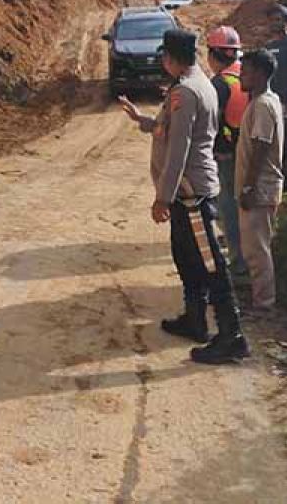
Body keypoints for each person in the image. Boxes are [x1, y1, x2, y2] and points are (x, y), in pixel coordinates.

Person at [119, 28, 249, 364]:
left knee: (210, 263)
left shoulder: (187, 92)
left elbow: (179, 148)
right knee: (186, 256)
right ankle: (194, 319)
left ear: (172, 58)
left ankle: (231, 334)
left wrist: (162, 196)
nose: (161, 61)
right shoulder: (190, 84)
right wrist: (142, 120)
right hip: (185, 192)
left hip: (190, 193)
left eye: (163, 56)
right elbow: (169, 128)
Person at [235, 50, 285, 313]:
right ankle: (260, 298)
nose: (241, 75)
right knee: (255, 247)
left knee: (258, 250)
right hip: (261, 187)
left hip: (260, 189)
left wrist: (248, 186)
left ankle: (264, 304)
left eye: (246, 71)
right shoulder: (263, 101)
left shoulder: (264, 105)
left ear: (261, 74)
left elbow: (261, 146)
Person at [204, 26, 249, 276]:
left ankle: (239, 262)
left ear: (214, 55)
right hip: (248, 151)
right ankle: (245, 256)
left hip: (227, 156)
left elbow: (210, 122)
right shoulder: (247, 74)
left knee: (228, 210)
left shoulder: (220, 84)